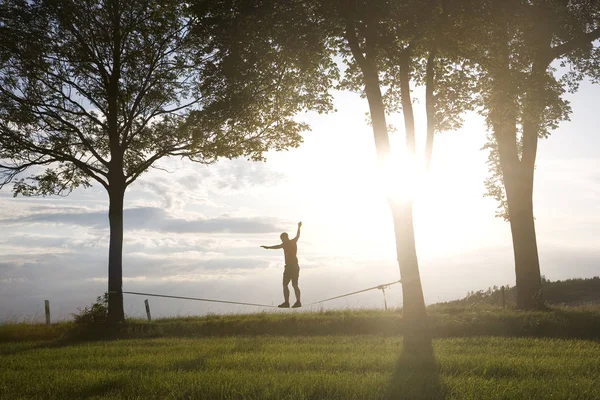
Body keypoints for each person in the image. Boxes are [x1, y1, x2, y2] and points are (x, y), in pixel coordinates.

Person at [261, 222, 302, 308]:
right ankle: (297, 302)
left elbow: (277, 246)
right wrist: (298, 227)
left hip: (290, 267)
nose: (282, 241)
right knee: (294, 285)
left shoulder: (286, 243)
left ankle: (287, 303)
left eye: (282, 239)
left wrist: (268, 247)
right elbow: (297, 236)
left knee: (285, 285)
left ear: (284, 238)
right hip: (295, 266)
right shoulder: (292, 242)